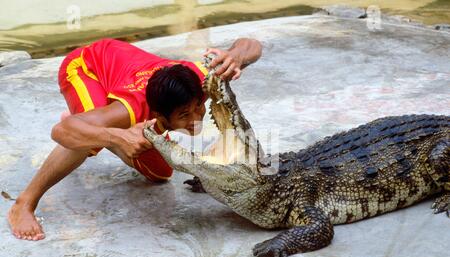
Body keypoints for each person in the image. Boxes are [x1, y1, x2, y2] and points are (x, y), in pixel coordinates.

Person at [7, 37, 263, 241]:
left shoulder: (198, 77)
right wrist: (115, 135)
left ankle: (94, 121)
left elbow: (251, 44)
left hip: (124, 67)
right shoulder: (133, 107)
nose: (197, 118)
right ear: (156, 115)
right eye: (184, 115)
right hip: (88, 67)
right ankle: (24, 203)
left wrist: (235, 56)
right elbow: (61, 131)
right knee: (87, 139)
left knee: (160, 175)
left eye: (198, 106)